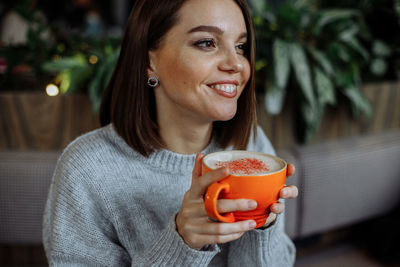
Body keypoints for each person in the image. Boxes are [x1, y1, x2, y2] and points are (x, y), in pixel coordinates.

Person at [43, 0, 299, 266]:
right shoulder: (87, 168)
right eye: (207, 43)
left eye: (241, 46)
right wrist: (183, 242)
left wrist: (261, 226)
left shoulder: (251, 143)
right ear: (149, 60)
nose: (236, 64)